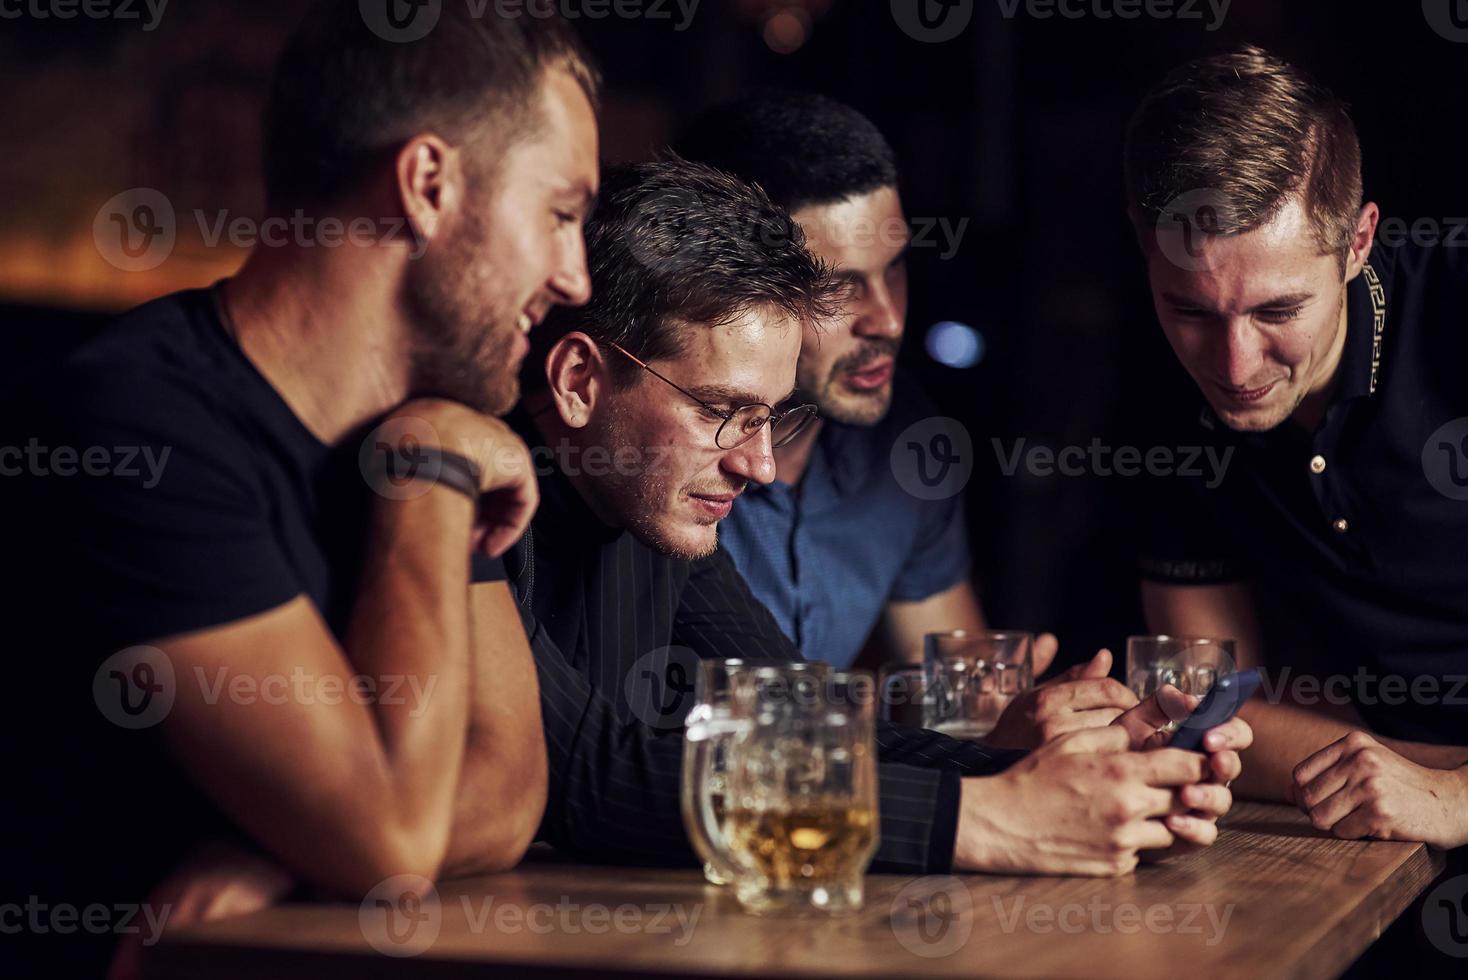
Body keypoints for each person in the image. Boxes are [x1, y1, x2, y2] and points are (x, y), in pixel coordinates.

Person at [4, 2, 598, 974]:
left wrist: (285, 851)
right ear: (428, 183)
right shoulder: (136, 424)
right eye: (562, 214)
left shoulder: (426, 432)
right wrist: (429, 472)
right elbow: (390, 840)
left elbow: (507, 780)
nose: (574, 274)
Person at [508, 155, 1251, 880]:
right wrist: (987, 817)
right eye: (721, 412)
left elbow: (815, 720)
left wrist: (1061, 779)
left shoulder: (652, 506)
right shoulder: (476, 497)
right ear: (579, 380)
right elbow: (582, 774)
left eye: (770, 418)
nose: (759, 464)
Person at [677, 92, 1139, 749]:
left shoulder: (908, 439)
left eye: (894, 269)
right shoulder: (659, 455)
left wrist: (1044, 730)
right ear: (729, 284)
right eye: (840, 287)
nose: (889, 321)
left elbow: (957, 701)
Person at [1124, 45, 1468, 849]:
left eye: (1278, 311)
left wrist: (1455, 795)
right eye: (1193, 312)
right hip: (1374, 830)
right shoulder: (1159, 381)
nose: (1234, 366)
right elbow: (1203, 712)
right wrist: (1413, 772)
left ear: (1357, 243)